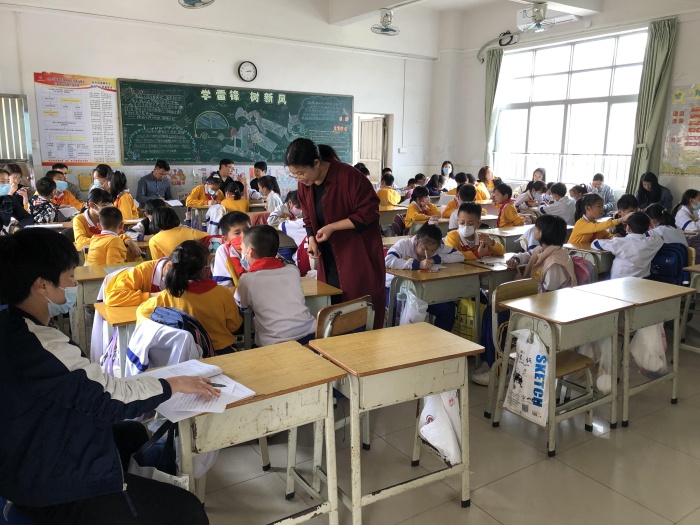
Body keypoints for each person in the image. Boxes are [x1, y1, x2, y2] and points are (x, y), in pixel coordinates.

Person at [0, 228, 213, 525]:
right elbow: (109, 399)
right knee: (187, 509)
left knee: (132, 434)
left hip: (33, 443)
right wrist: (173, 384)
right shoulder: (40, 345)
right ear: (42, 285)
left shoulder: (14, 324)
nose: (74, 284)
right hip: (48, 483)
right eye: (69, 277)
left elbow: (87, 387)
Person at [287, 138, 386, 329]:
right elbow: (308, 215)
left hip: (357, 254)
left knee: (359, 307)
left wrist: (332, 227)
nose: (299, 178)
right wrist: (311, 239)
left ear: (317, 163)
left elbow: (370, 212)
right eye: (294, 175)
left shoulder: (349, 176)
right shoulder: (304, 184)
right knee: (333, 308)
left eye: (301, 173)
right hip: (328, 257)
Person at [137, 240, 242, 353]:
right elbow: (234, 325)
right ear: (207, 270)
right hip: (221, 352)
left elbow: (142, 314)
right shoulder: (223, 293)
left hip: (184, 355)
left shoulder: (166, 296)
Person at [234, 225, 316, 346]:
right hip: (310, 334)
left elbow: (243, 306)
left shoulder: (247, 280)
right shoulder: (293, 270)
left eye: (242, 250)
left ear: (250, 251)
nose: (242, 255)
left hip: (276, 343)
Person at [385, 224, 464, 330]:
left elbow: (459, 256)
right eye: (424, 249)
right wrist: (417, 265)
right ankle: (395, 337)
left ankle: (439, 339)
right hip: (395, 289)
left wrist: (436, 259)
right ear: (416, 240)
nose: (428, 253)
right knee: (397, 308)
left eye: (432, 251)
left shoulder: (435, 247)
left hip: (423, 291)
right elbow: (388, 260)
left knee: (447, 308)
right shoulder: (404, 245)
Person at [507, 214, 578, 293]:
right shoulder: (542, 250)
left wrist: (523, 284)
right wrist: (515, 259)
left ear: (540, 233)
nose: (533, 230)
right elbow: (528, 255)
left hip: (552, 299)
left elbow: (549, 293)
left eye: (535, 228)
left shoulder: (554, 263)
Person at [593, 211, 663, 279]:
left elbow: (595, 244)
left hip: (619, 281)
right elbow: (659, 237)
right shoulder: (652, 242)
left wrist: (612, 239)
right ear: (648, 227)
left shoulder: (620, 242)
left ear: (628, 228)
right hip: (642, 281)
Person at [104, 256, 172, 306]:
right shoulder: (141, 271)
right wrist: (153, 295)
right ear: (168, 266)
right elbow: (112, 297)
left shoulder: (173, 267)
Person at [212, 211, 251, 287]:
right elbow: (224, 285)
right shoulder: (223, 251)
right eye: (237, 233)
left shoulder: (257, 245)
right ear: (226, 239)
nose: (244, 235)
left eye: (247, 231)